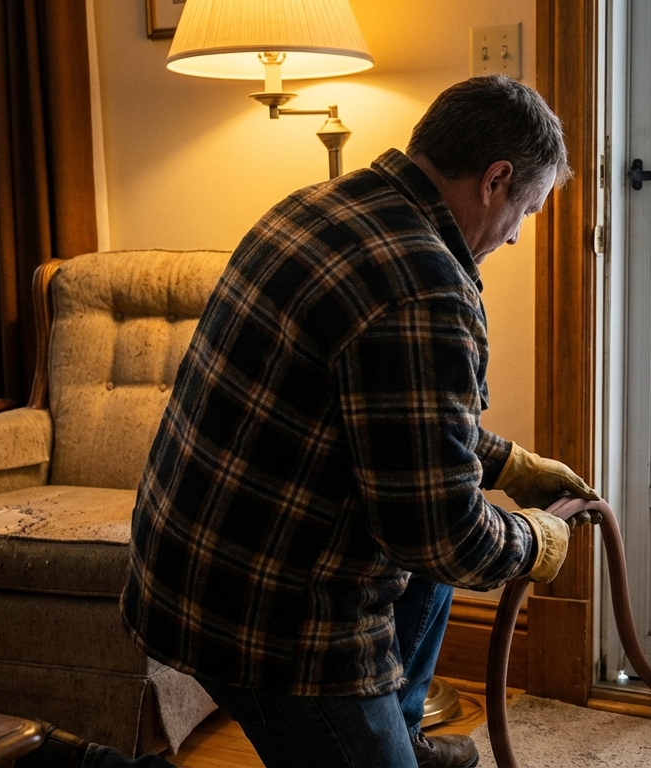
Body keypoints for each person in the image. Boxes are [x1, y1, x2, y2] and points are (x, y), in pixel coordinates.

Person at [120, 74, 598, 768]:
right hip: (271, 621)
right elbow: (443, 537)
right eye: (527, 208)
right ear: (495, 180)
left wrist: (507, 464)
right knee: (438, 534)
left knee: (437, 510)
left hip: (184, 570)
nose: (519, 233)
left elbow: (397, 425)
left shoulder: (314, 207)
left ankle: (398, 736)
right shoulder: (425, 287)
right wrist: (535, 541)